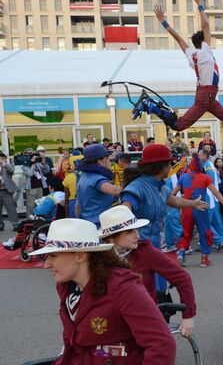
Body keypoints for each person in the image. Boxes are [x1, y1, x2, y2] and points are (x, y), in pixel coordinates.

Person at [29, 218, 175, 364]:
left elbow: (162, 345)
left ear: (80, 255)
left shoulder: (122, 287)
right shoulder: (66, 285)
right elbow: (74, 342)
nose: (46, 264)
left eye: (53, 255)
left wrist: (105, 354)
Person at [136, 1, 223, 150]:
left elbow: (179, 39)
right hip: (207, 95)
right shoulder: (205, 51)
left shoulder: (192, 54)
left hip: (206, 95)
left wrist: (163, 21)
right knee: (179, 125)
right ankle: (151, 106)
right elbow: (206, 26)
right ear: (203, 42)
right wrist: (199, 5)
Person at [99, 205, 197, 337]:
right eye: (130, 232)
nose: (137, 235)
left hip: (143, 318)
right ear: (111, 238)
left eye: (136, 230)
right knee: (97, 353)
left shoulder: (144, 252)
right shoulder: (99, 257)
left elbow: (182, 277)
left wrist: (188, 316)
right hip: (111, 320)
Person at [121, 144, 209, 290]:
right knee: (146, 294)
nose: (171, 167)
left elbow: (174, 200)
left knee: (164, 290)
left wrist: (193, 203)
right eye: (169, 164)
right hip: (137, 254)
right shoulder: (137, 188)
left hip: (154, 250)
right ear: (159, 166)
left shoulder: (160, 186)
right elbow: (124, 211)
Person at [172, 154, 223, 267]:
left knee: (186, 233)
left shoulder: (183, 177)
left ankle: (181, 253)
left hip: (187, 209)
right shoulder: (205, 177)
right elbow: (216, 193)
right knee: (204, 233)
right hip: (201, 208)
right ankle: (204, 259)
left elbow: (173, 194)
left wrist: (180, 204)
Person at [76, 144, 121, 226]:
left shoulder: (82, 176)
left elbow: (77, 206)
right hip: (100, 226)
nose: (109, 161)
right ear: (99, 161)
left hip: (86, 225)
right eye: (107, 158)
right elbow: (115, 191)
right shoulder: (97, 178)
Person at [0, 152, 18, 230]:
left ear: (4, 159)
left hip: (6, 191)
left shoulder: (8, 165)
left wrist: (3, 163)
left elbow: (11, 170)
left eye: (2, 158)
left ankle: (15, 224)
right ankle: (0, 224)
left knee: (11, 208)